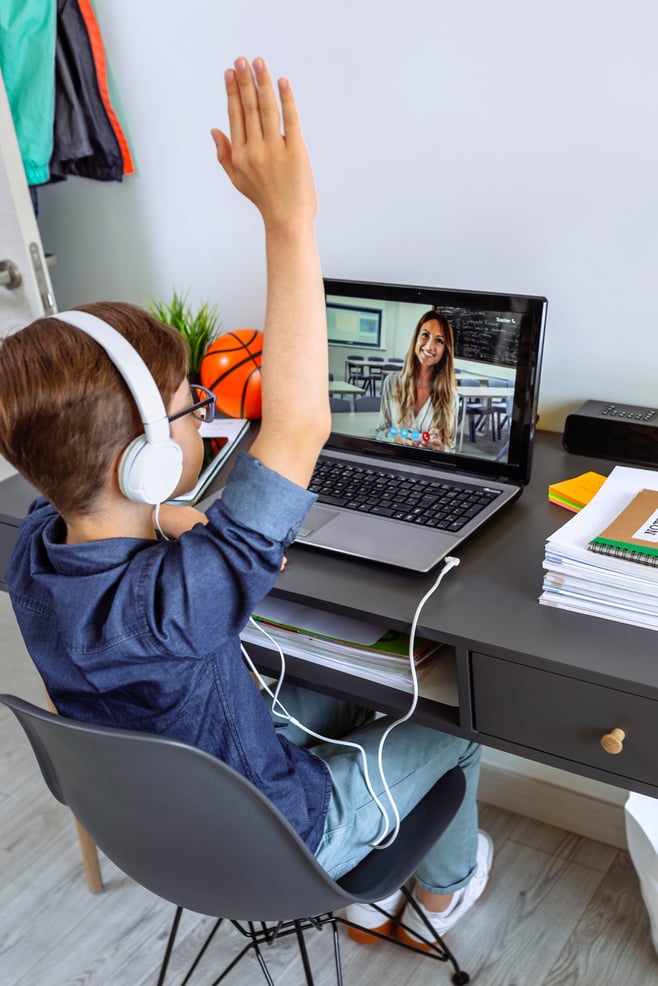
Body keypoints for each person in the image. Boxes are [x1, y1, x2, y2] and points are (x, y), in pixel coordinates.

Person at [0, 57, 491, 947]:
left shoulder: (33, 553)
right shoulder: (179, 606)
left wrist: (170, 517)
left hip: (164, 832)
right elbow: (298, 427)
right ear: (143, 463)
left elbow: (101, 512)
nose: (206, 413)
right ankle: (443, 894)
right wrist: (288, 220)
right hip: (290, 837)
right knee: (461, 726)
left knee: (338, 689)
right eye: (194, 405)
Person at [376, 310, 459, 452]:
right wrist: (397, 438)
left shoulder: (450, 396)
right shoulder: (391, 383)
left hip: (428, 467)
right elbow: (380, 433)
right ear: (416, 338)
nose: (429, 346)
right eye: (425, 335)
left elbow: (450, 446)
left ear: (445, 350)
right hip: (395, 462)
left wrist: (441, 448)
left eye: (439, 340)